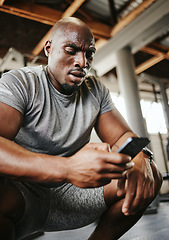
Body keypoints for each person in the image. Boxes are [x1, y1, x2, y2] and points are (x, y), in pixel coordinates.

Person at [0, 17, 162, 240]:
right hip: (21, 194)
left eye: (90, 53)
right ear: (49, 48)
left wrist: (141, 157)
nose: (82, 62)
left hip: (75, 193)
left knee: (149, 174)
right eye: (71, 50)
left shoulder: (94, 89)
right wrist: (67, 168)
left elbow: (123, 135)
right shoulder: (20, 82)